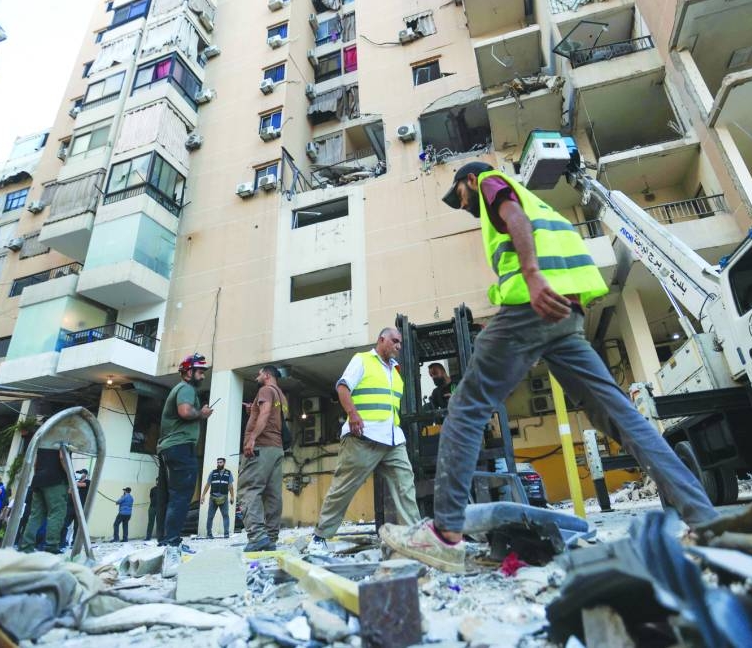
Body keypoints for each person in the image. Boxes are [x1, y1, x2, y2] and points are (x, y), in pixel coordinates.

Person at [379, 162, 720, 573]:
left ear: (471, 180)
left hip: (533, 304)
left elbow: (516, 220)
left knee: (465, 409)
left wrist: (531, 276)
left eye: (460, 195)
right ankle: (705, 519)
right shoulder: (540, 207)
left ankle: (444, 532)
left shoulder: (491, 182)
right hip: (565, 314)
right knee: (622, 416)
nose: (463, 204)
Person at [307, 328, 421, 555]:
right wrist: (353, 414)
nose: (398, 346)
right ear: (381, 340)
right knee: (343, 488)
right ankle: (320, 538)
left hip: (392, 440)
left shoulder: (395, 372)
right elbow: (342, 387)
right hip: (363, 437)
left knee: (405, 486)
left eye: (400, 343)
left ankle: (416, 539)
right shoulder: (363, 360)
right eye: (394, 341)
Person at [158, 353, 213, 575]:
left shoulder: (180, 389)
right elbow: (185, 411)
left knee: (171, 496)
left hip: (169, 447)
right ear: (188, 372)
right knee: (181, 496)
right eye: (199, 371)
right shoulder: (186, 389)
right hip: (180, 447)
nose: (202, 375)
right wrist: (202, 413)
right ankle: (172, 544)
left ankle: (167, 541)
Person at [238, 366, 286, 552]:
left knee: (249, 489)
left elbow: (265, 413)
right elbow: (273, 417)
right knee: (273, 494)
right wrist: (253, 411)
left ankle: (257, 536)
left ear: (267, 375)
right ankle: (270, 538)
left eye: (259, 374)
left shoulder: (265, 390)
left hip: (261, 447)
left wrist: (252, 438)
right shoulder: (281, 395)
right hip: (276, 449)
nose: (256, 377)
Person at [19, 448, 68, 553]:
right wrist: (70, 476)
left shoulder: (43, 440)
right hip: (56, 479)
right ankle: (51, 546)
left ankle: (26, 547)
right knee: (56, 513)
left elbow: (35, 463)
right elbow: (62, 457)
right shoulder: (63, 438)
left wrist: (38, 477)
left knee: (35, 516)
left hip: (38, 479)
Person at [201, 457, 234, 539]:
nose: (219, 464)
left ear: (224, 463)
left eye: (220, 462)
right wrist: (203, 495)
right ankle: (209, 534)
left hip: (224, 498)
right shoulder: (213, 473)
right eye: (218, 462)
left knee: (225, 515)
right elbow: (208, 484)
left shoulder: (228, 473)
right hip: (213, 498)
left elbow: (230, 486)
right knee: (210, 516)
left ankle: (226, 534)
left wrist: (232, 496)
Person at [62, 468, 91, 548]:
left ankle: (74, 543)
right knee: (64, 525)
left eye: (82, 473)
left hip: (80, 508)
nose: (80, 474)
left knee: (77, 527)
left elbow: (80, 485)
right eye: (79, 473)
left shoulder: (88, 482)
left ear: (85, 474)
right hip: (70, 507)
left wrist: (73, 480)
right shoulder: (75, 482)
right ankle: (62, 542)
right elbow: (69, 491)